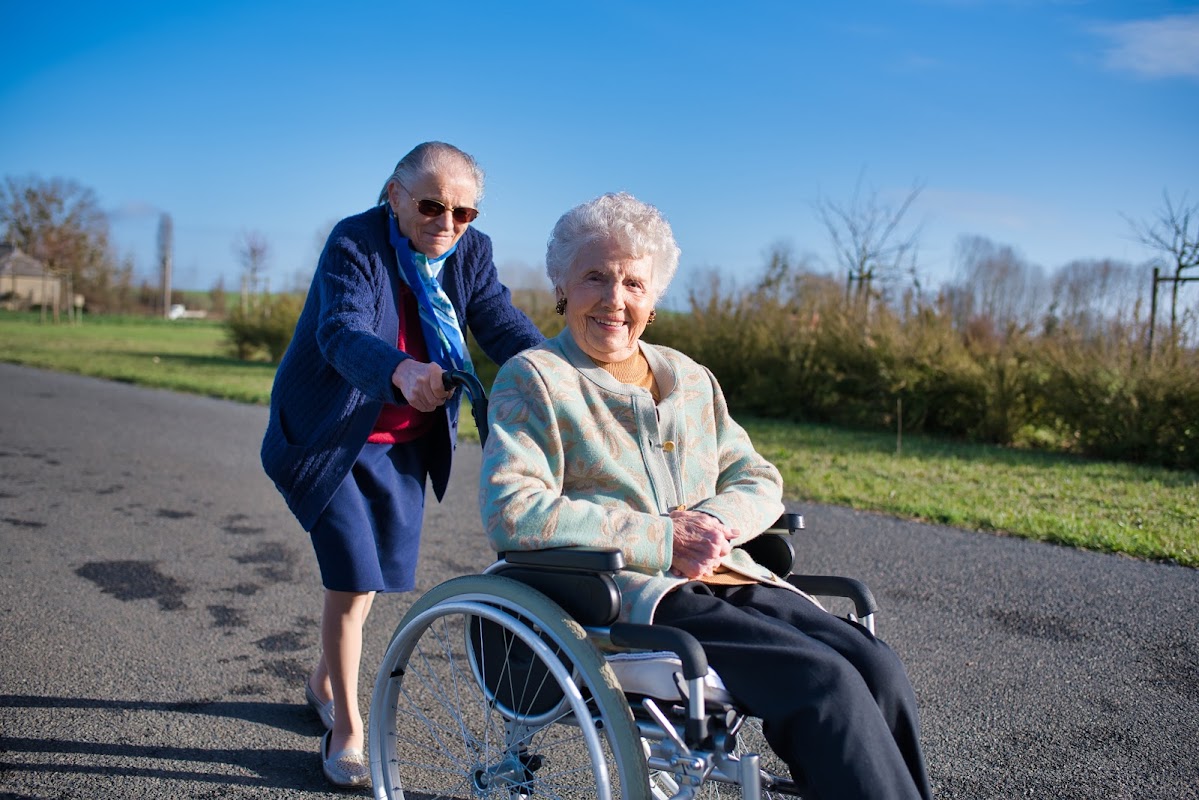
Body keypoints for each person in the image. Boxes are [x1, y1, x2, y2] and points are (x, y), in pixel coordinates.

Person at [479, 192, 932, 799]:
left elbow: (758, 477)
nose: (615, 300)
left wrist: (709, 526)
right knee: (824, 684)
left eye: (634, 283)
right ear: (562, 284)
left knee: (879, 668)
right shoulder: (535, 378)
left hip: (729, 573)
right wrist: (664, 538)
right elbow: (514, 510)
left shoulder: (690, 379)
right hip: (631, 592)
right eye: (595, 277)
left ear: (653, 297)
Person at [261, 142, 543, 788]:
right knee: (352, 579)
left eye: (463, 212)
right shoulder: (354, 244)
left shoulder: (469, 253)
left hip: (404, 447)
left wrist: (566, 369)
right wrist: (399, 369)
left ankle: (321, 680)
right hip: (331, 437)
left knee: (371, 586)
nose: (447, 224)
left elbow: (501, 325)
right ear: (394, 195)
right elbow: (339, 332)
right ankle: (347, 728)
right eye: (431, 205)